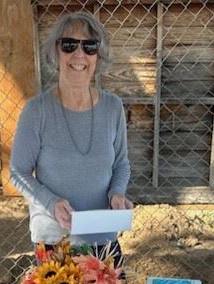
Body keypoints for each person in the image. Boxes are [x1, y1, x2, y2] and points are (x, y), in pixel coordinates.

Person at [10, 11, 133, 268]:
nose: (79, 55)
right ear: (56, 53)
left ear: (98, 56)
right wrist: (51, 202)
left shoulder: (113, 107)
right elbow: (18, 172)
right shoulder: (37, 110)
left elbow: (121, 164)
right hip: (55, 241)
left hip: (102, 237)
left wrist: (117, 194)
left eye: (89, 46)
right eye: (69, 45)